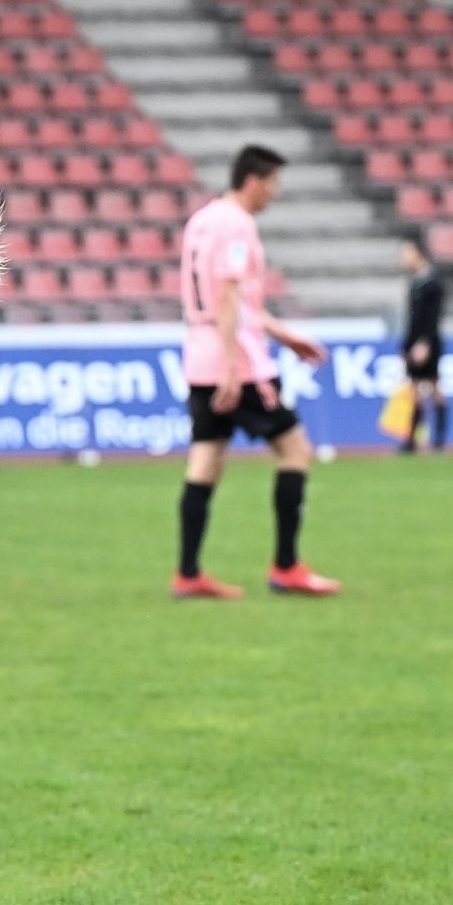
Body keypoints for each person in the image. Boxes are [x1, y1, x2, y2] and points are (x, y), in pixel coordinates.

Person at [174, 144, 339, 599]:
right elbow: (228, 297)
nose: (274, 193)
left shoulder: (202, 220)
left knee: (206, 460)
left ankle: (188, 574)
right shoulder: (237, 224)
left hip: (199, 354)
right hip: (240, 362)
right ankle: (286, 566)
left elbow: (231, 301)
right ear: (253, 181)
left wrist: (285, 335)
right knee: (295, 451)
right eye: (273, 183)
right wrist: (232, 368)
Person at [398, 233, 448, 454]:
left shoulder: (433, 283)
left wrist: (424, 343)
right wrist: (406, 345)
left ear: (419, 254)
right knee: (415, 391)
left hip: (428, 343)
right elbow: (412, 319)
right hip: (415, 343)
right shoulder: (415, 282)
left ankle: (438, 440)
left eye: (407, 252)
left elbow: (433, 318)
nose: (403, 258)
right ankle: (413, 440)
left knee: (434, 388)